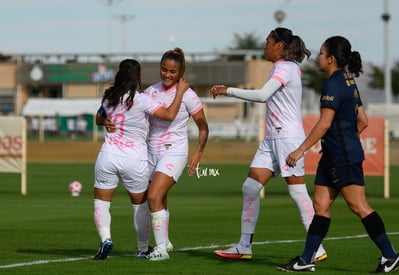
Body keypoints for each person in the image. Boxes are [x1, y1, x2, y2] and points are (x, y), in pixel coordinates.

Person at [276, 36, 399, 273]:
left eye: (322, 53)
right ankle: (306, 260)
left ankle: (391, 255)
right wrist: (343, 139)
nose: (319, 57)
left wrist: (300, 150)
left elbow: (324, 124)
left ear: (331, 58)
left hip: (342, 157)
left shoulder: (334, 83)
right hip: (335, 154)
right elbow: (362, 121)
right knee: (321, 205)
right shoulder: (348, 80)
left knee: (359, 206)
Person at [210, 27, 327, 262]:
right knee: (250, 188)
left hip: (287, 139)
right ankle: (244, 246)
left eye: (268, 42)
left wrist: (228, 91)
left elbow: (263, 95)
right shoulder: (281, 67)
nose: (264, 45)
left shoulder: (286, 67)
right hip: (272, 139)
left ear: (279, 46)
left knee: (297, 191)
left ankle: (318, 248)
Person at [93, 59, 189, 260]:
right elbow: (170, 115)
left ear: (119, 74)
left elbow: (98, 118)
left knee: (101, 202)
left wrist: (105, 122)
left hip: (107, 156)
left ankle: (105, 239)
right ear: (139, 77)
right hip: (135, 160)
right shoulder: (142, 99)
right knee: (140, 206)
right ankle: (143, 248)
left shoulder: (109, 96)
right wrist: (180, 92)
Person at [143, 47, 209, 261]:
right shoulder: (150, 91)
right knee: (155, 198)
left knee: (154, 196)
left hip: (175, 151)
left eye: (172, 71)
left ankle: (161, 250)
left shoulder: (188, 95)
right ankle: (166, 241)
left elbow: (203, 126)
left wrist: (198, 152)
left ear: (180, 72)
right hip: (151, 150)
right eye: (164, 70)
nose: (167, 75)